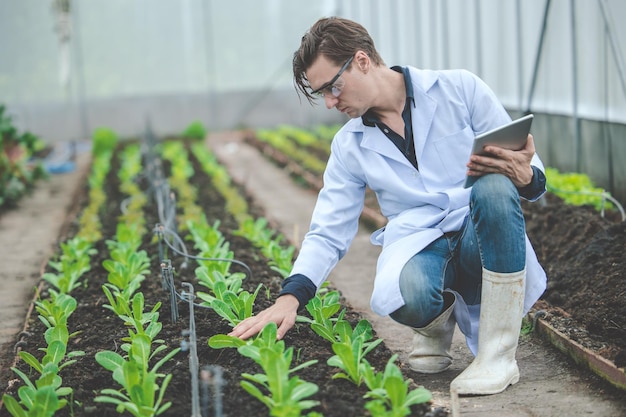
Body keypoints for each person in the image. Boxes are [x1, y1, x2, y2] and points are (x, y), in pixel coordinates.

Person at [229, 16, 547, 396]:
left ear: (362, 60)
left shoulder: (458, 88)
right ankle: (434, 326)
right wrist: (289, 298)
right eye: (322, 94)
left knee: (493, 187)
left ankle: (498, 356)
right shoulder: (349, 145)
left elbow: (532, 170)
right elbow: (328, 229)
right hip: (421, 241)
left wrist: (524, 175)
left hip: (477, 233)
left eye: (333, 86)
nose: (330, 102)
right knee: (404, 293)